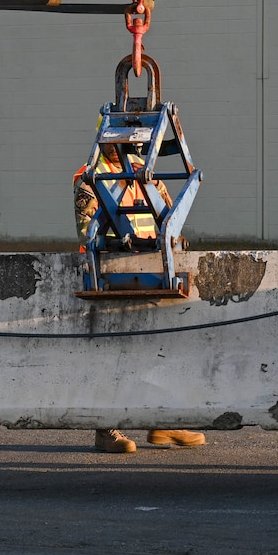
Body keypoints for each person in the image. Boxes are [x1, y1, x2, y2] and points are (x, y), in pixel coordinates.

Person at [73, 136, 206, 455]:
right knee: (111, 356)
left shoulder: (144, 173)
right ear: (104, 142)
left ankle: (164, 423)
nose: (126, 148)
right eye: (117, 142)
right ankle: (106, 430)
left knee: (160, 346)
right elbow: (87, 229)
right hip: (108, 276)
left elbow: (166, 217)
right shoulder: (89, 175)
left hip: (152, 270)